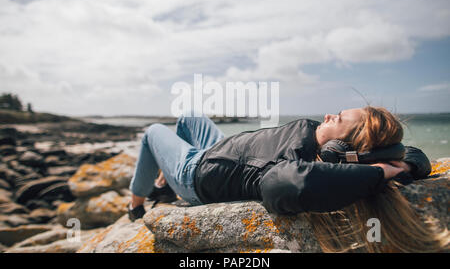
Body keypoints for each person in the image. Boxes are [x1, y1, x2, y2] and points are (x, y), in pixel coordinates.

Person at [128, 106, 449, 252]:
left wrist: (378, 172)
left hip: (194, 174)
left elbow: (285, 187)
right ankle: (162, 183)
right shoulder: (319, 145)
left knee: (153, 133)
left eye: (336, 119)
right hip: (218, 151)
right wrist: (405, 167)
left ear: (340, 150)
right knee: (189, 115)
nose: (327, 115)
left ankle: (137, 203)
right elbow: (412, 155)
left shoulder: (293, 170)